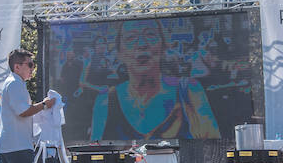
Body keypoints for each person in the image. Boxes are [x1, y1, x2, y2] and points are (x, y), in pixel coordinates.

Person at [90, 20, 220, 140]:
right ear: (119, 52)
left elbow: (214, 148)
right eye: (131, 37)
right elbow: (93, 153)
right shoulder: (106, 100)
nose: (142, 44)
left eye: (150, 35)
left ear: (163, 46)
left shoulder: (189, 90)